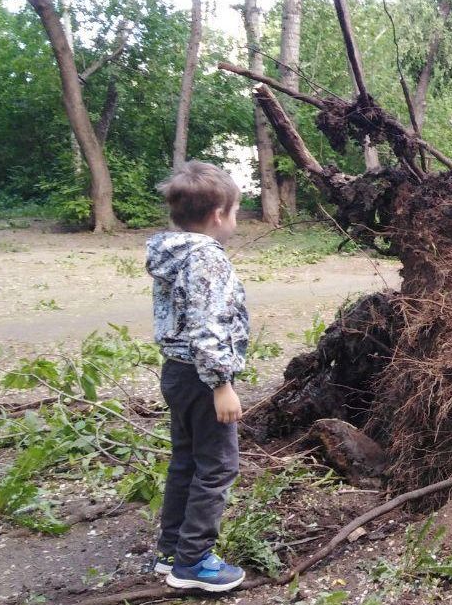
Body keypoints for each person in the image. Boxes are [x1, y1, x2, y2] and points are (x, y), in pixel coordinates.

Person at [144, 161, 249, 592]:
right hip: (204, 378)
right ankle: (193, 562)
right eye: (237, 211)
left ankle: (171, 549)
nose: (236, 219)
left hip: (178, 373)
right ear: (218, 215)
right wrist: (222, 384)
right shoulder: (206, 259)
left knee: (186, 460)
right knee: (218, 466)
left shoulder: (170, 253)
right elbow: (207, 326)